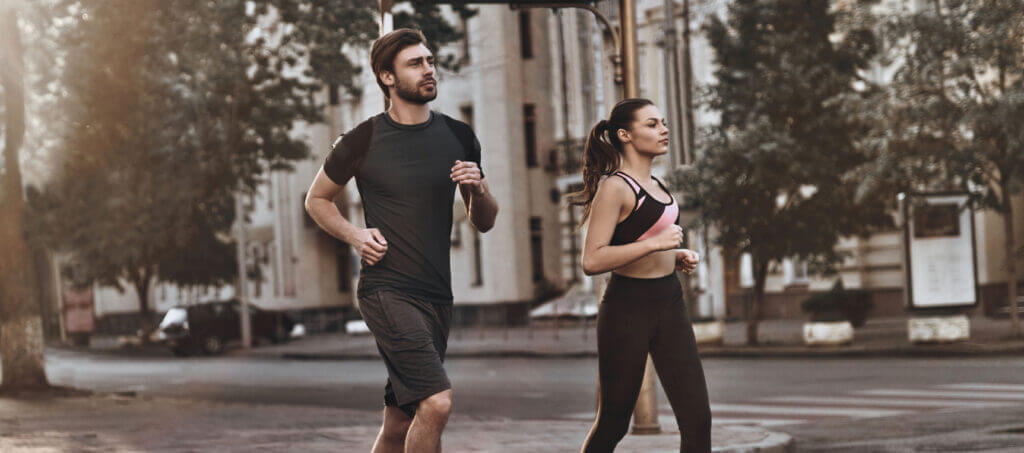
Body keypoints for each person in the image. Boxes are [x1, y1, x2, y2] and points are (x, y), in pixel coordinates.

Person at [304, 28, 499, 453]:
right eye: (416, 63)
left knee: (400, 421)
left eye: (430, 61)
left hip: (437, 296)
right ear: (386, 76)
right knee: (436, 403)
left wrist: (480, 189)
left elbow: (483, 221)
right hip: (385, 289)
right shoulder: (362, 139)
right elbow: (316, 199)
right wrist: (355, 235)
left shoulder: (460, 137)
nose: (429, 70)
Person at [571, 98, 711, 452]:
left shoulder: (659, 185)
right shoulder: (615, 187)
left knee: (697, 418)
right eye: (651, 124)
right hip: (627, 307)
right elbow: (593, 259)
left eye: (662, 122)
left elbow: (641, 238)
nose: (663, 129)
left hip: (669, 300)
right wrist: (656, 244)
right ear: (625, 135)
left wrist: (675, 254)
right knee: (614, 422)